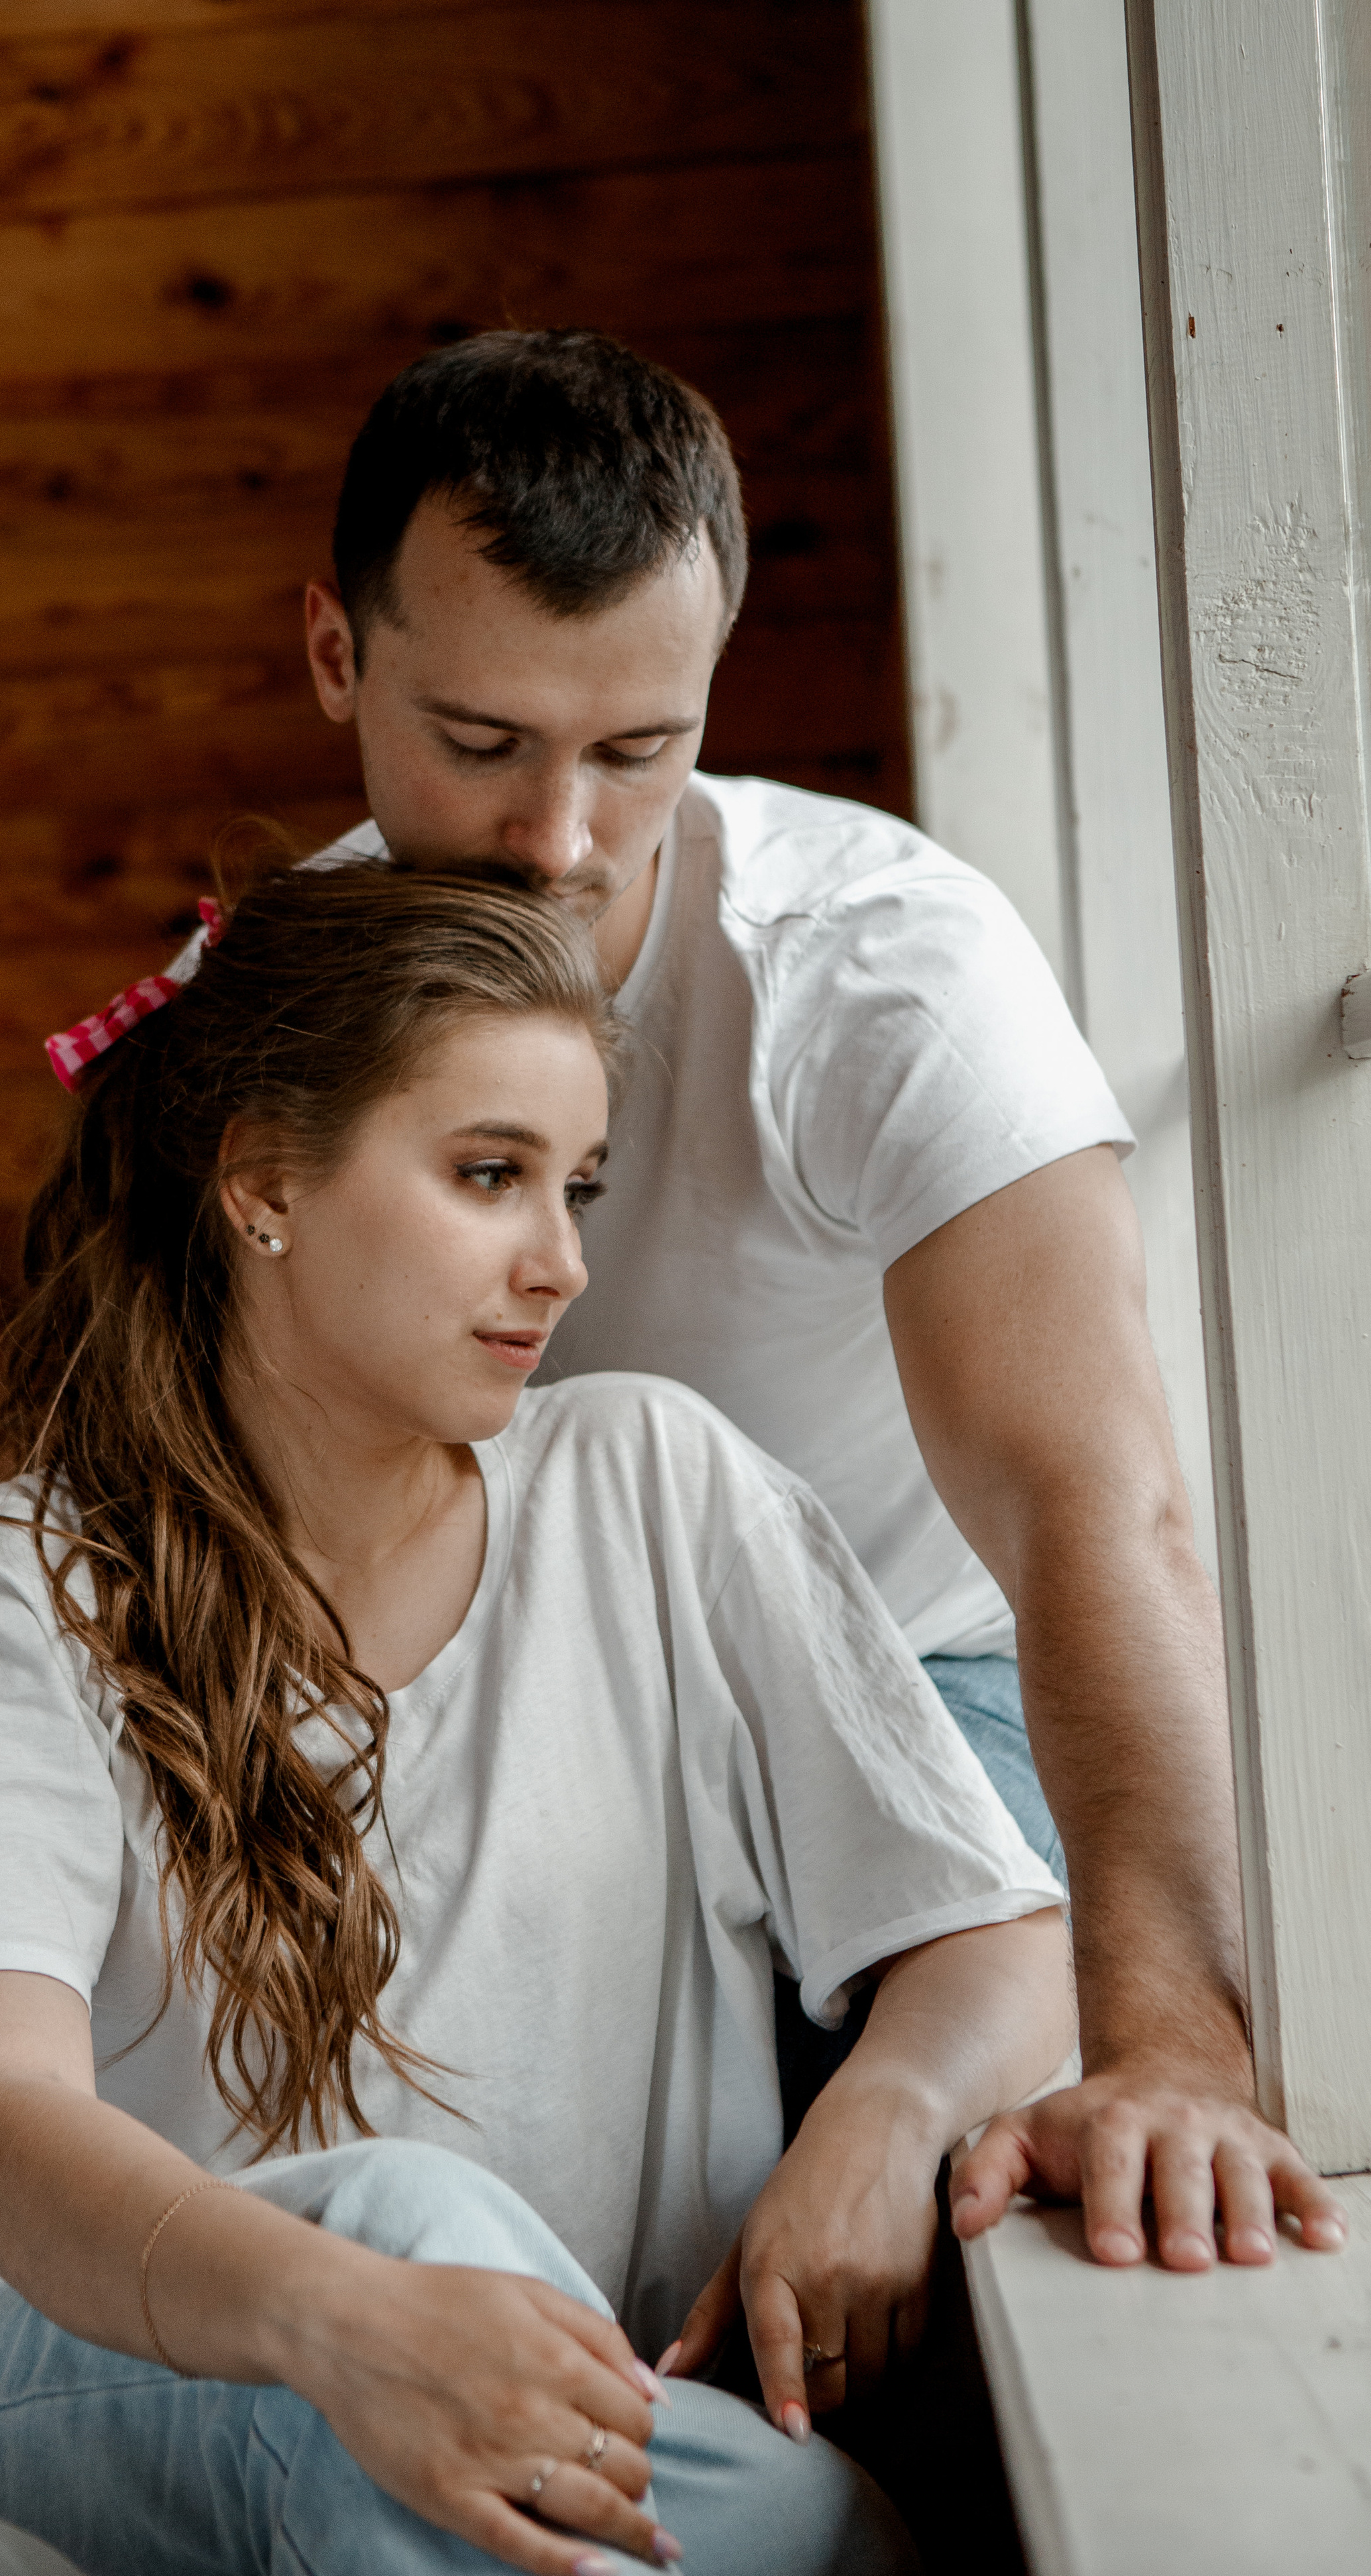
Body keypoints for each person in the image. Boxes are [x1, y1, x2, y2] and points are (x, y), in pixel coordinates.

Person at [0, 862, 1072, 2576]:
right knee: (403, 2239)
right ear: (264, 1181)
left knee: (818, 2525)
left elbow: (988, 1932)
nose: (562, 1263)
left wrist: (883, 2112)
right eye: (487, 1176)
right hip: (13, 2367)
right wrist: (337, 2321)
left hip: (547, 2409)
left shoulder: (656, 1489)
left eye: (576, 1187)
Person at [298, 327, 1348, 2272]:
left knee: (909, 2160)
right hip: (476, 1686)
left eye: (638, 752)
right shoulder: (262, 1012)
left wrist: (1177, 2053)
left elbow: (1091, 1509)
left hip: (918, 1670)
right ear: (337, 660)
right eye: (482, 745)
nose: (560, 844)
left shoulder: (885, 973)